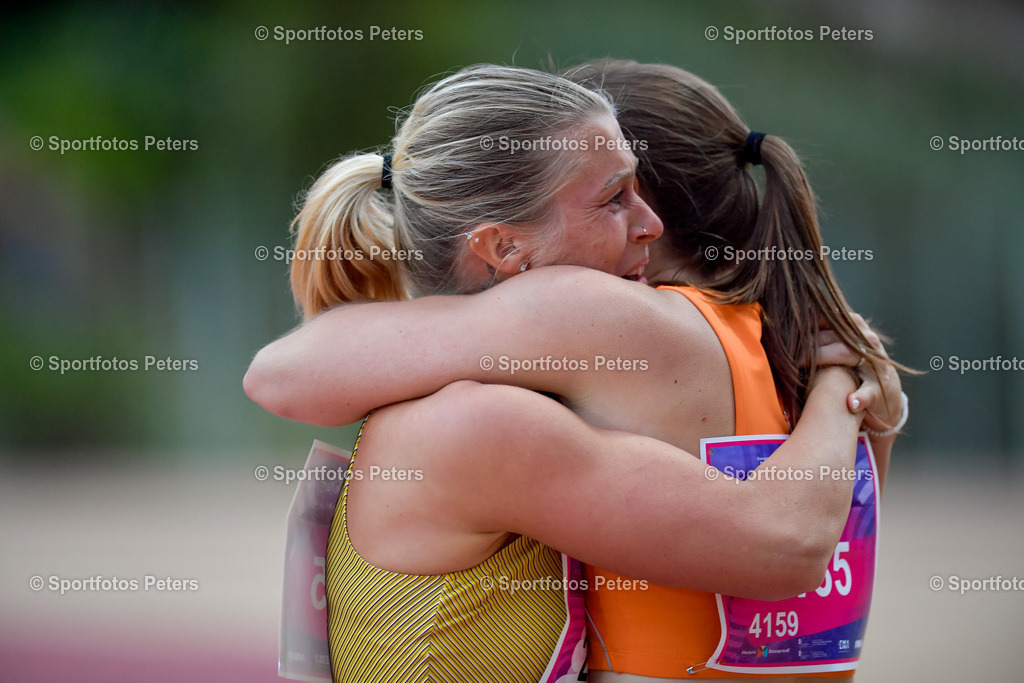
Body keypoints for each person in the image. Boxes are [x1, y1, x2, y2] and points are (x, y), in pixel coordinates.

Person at [245, 63, 901, 682]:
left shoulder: (494, 398)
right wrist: (839, 380)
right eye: (615, 198)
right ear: (503, 247)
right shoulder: (482, 416)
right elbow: (786, 543)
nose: (650, 224)